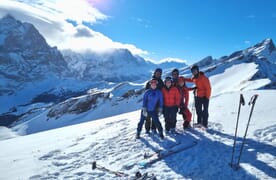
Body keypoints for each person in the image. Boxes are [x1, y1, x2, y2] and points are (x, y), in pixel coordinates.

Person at [144, 68, 164, 133]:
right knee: (148, 117)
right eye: (157, 73)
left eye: (159, 73)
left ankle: (153, 128)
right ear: (154, 73)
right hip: (149, 103)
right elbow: (146, 92)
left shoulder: (161, 82)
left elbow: (162, 92)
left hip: (157, 103)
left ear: (161, 74)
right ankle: (147, 129)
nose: (158, 74)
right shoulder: (150, 82)